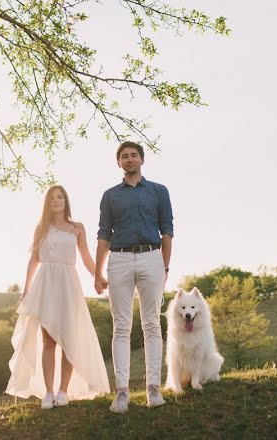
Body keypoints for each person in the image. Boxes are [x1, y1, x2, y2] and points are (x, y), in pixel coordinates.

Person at [6, 185, 110, 409]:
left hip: (68, 284)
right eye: (52, 197)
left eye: (60, 196)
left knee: (69, 339)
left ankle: (64, 391)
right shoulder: (41, 228)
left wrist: (98, 277)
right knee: (48, 340)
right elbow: (34, 260)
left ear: (66, 200)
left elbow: (85, 257)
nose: (57, 200)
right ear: (47, 202)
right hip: (46, 284)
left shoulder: (77, 228)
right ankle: (49, 392)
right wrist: (26, 289)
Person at [94, 141, 173, 413]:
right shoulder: (110, 195)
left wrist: (164, 266)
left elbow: (167, 230)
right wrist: (97, 271)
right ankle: (122, 392)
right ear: (119, 163)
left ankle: (153, 389)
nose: (129, 160)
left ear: (142, 159)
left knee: (152, 323)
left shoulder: (159, 191)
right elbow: (103, 234)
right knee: (121, 326)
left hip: (152, 256)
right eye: (124, 157)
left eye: (133, 155)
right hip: (120, 259)